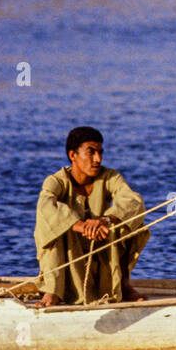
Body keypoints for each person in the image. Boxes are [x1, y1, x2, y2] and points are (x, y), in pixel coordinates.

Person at [35, 126, 150, 307]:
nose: (98, 159)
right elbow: (46, 206)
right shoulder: (56, 181)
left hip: (101, 245)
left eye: (100, 153)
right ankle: (53, 290)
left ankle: (124, 284)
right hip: (71, 252)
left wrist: (104, 220)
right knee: (48, 224)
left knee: (132, 221)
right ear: (73, 155)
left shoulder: (110, 176)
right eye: (91, 153)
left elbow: (133, 200)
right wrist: (80, 226)